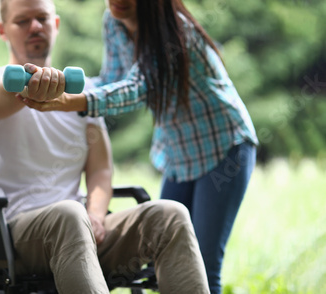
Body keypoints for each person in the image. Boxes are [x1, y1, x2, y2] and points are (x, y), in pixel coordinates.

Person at [0, 0, 210, 293]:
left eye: (42, 18)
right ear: (2, 30)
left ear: (55, 25)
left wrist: (95, 214)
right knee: (69, 214)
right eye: (22, 21)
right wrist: (28, 85)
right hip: (11, 236)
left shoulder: (84, 94)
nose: (34, 26)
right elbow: (1, 98)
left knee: (170, 214)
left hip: (80, 229)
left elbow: (101, 169)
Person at [19, 0, 259, 293]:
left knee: (205, 265)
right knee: (166, 254)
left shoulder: (177, 34)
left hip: (225, 145)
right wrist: (56, 83)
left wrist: (71, 102)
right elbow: (112, 80)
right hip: (179, 153)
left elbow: (137, 88)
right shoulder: (114, 22)